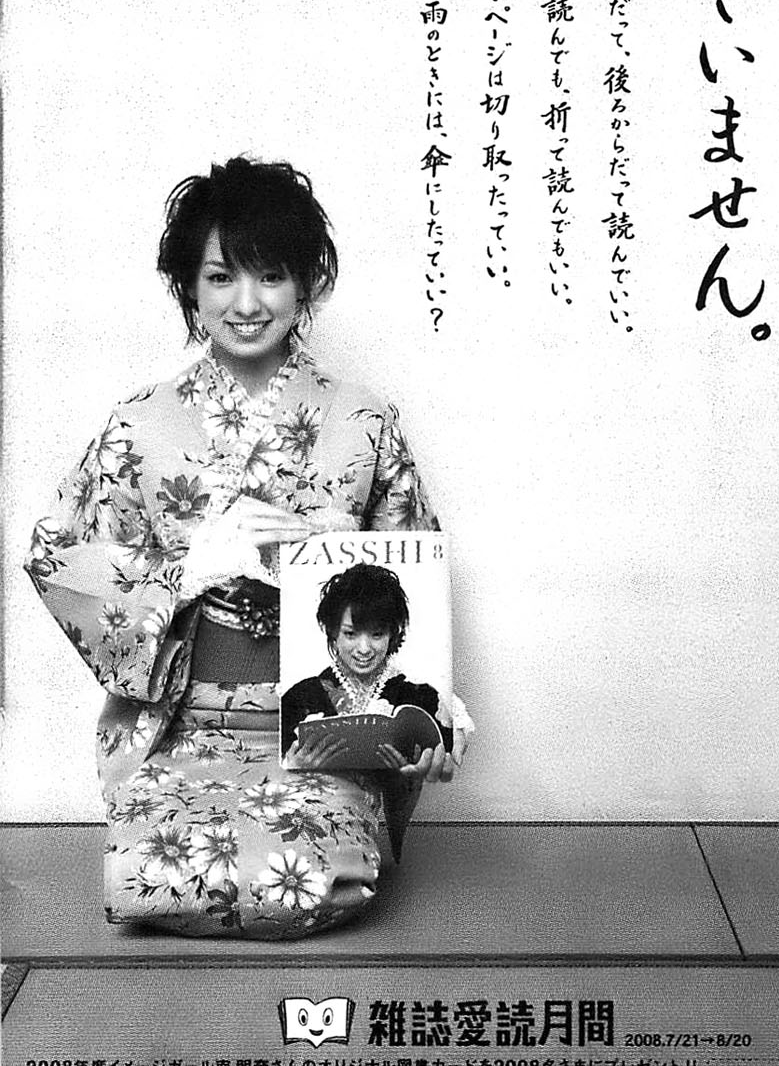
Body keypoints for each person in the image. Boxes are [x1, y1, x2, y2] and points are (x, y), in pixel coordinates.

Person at [25, 156, 472, 939]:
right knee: (149, 878)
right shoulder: (138, 423)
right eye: (221, 277)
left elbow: (413, 574)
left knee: (315, 882)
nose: (246, 303)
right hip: (183, 721)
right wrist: (190, 567)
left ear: (307, 284)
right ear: (189, 288)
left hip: (329, 723)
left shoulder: (363, 420)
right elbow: (59, 552)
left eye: (271, 275)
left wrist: (435, 705)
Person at [280, 563, 450, 781]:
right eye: (350, 634)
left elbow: (445, 766)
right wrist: (292, 768)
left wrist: (427, 769)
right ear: (333, 633)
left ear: (392, 634)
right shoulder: (299, 697)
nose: (364, 649)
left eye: (376, 634)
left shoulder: (421, 697)